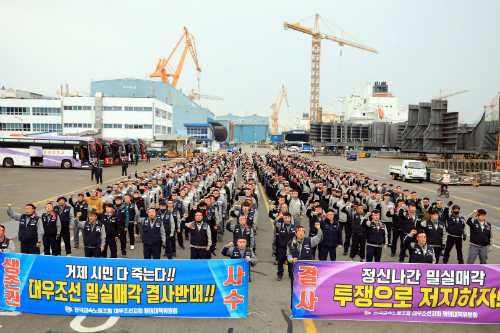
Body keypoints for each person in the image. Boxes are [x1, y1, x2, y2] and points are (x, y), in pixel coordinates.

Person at [276, 212, 296, 281]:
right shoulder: (280, 225)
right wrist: (278, 218)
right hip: (282, 247)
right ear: (283, 218)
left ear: (290, 218)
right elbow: (274, 223)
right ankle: (280, 274)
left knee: (290, 261)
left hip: (290, 248)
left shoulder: (293, 227)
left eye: (288, 218)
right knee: (280, 261)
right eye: (286, 218)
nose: (287, 219)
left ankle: (291, 274)